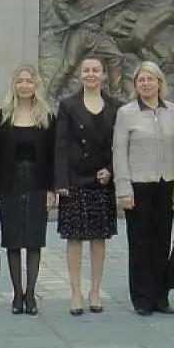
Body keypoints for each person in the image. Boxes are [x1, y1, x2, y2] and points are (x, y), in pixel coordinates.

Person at [113, 61, 174, 316]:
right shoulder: (126, 113)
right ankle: (142, 297)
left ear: (159, 83)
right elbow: (119, 151)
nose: (146, 84)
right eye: (141, 80)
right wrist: (123, 188)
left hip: (166, 184)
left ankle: (161, 297)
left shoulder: (173, 111)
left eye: (150, 79)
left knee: (161, 242)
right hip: (138, 186)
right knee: (140, 243)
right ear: (136, 85)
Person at [55, 56, 121, 315]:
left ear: (103, 74)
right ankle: (75, 292)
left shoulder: (116, 106)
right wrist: (60, 182)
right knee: (74, 237)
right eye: (86, 70)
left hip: (102, 179)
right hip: (74, 179)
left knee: (98, 237)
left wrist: (112, 172)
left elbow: (122, 145)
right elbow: (60, 146)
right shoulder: (68, 105)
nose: (91, 74)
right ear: (80, 75)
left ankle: (95, 290)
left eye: (95, 70)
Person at [0, 65, 57, 315]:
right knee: (13, 240)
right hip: (10, 184)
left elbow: (53, 157)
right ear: (14, 85)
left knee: (33, 240)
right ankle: (16, 294)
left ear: (36, 86)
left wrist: (52, 188)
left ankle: (31, 294)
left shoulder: (47, 118)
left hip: (38, 184)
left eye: (30, 81)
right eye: (20, 81)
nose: (25, 85)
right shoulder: (1, 118)